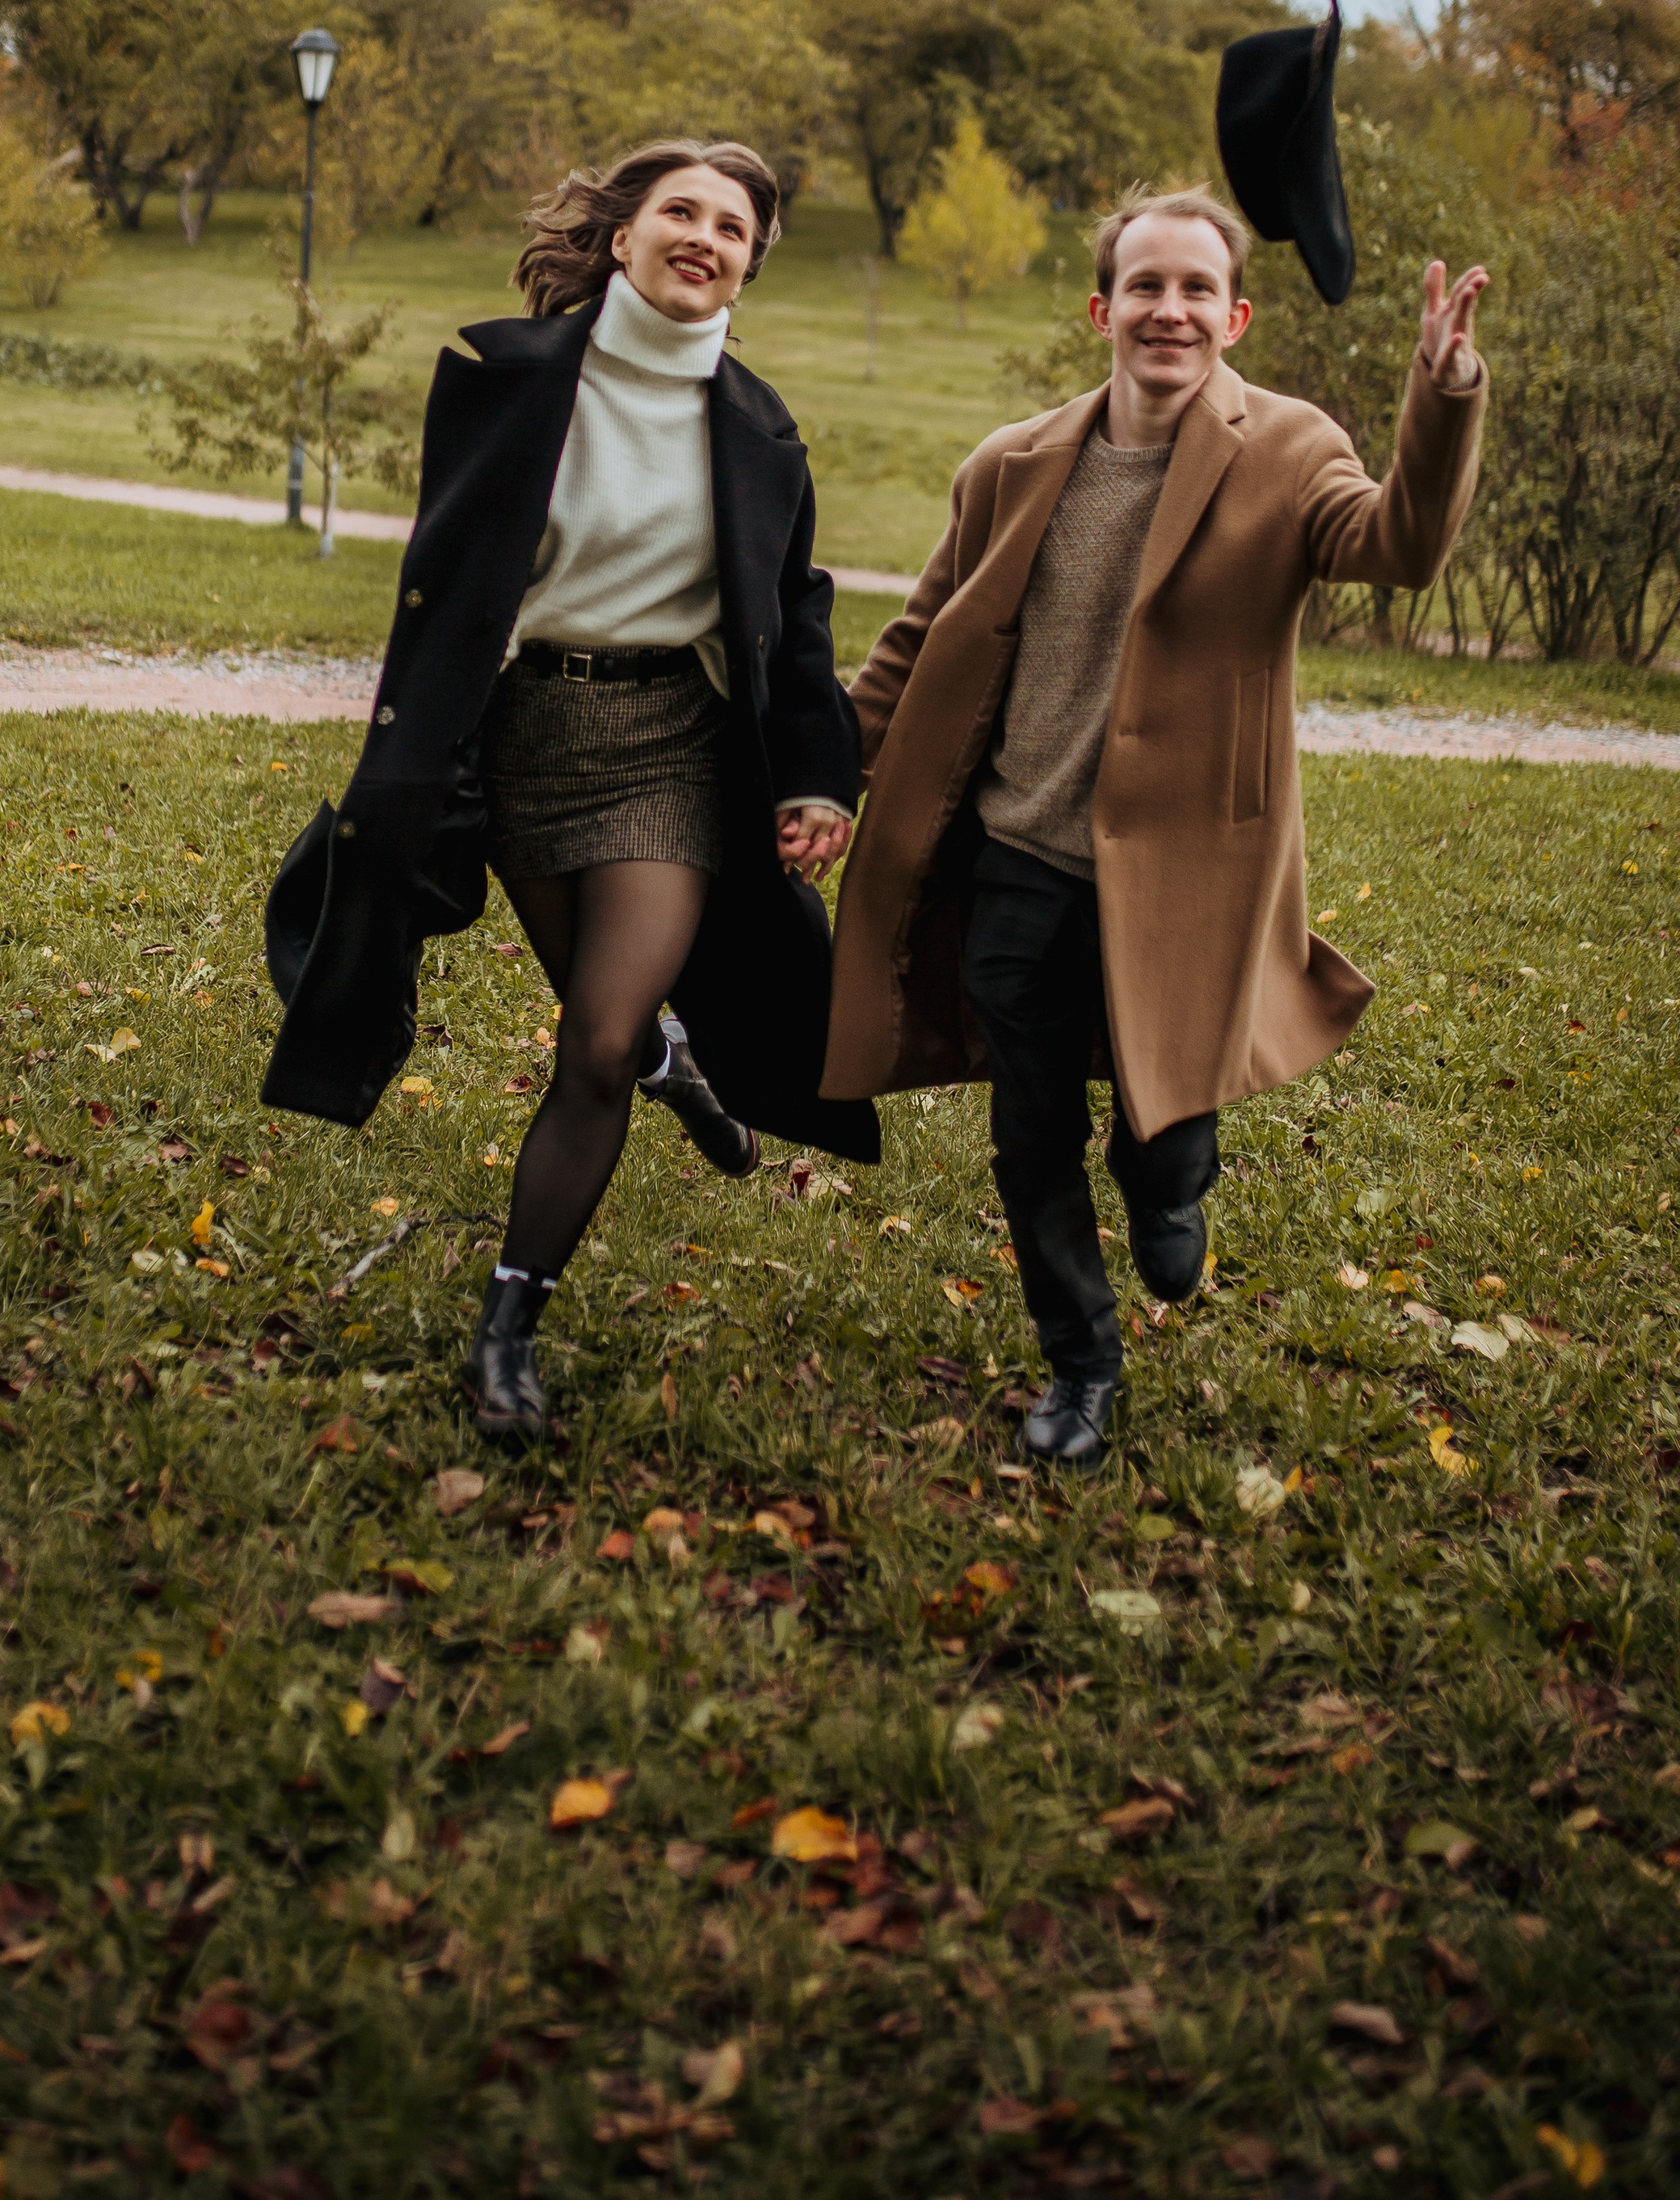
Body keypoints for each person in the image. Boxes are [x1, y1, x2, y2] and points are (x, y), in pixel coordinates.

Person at [820, 184, 1488, 1469]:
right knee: (1028, 1133)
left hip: (1191, 871)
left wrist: (1443, 394)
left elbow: (1397, 546)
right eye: (1145, 286)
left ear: (1233, 315)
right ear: (1102, 309)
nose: (1168, 310)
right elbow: (916, 641)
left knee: (1163, 1117)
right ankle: (1082, 1360)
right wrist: (824, 779)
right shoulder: (1012, 462)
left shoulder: (1289, 451)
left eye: (1195, 289)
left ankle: (1172, 1173)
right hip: (1020, 853)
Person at [261, 138, 875, 1444]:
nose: (707, 235)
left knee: (587, 1038)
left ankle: (508, 1328)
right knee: (606, 1011)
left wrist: (823, 773)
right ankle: (669, 1054)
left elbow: (797, 610)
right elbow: (445, 576)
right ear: (624, 237)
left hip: (672, 744)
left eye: (734, 226)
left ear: (749, 267)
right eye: (682, 212)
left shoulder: (763, 430)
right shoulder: (507, 381)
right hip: (522, 733)